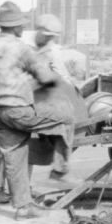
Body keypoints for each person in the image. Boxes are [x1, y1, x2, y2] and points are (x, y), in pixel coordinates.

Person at [0, 1, 74, 220]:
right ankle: (59, 170)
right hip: (18, 112)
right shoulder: (21, 48)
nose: (24, 28)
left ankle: (23, 208)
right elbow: (45, 77)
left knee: (15, 156)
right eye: (22, 24)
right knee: (67, 115)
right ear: (15, 27)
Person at [28, 14, 78, 183]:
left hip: (29, 102)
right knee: (67, 122)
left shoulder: (32, 51)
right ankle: (60, 170)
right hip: (39, 105)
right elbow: (64, 78)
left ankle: (24, 185)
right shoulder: (50, 54)